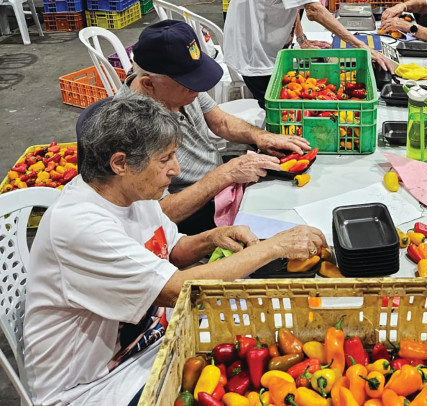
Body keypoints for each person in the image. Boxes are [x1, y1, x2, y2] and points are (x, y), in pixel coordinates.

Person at [24, 94, 327, 406]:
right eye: (165, 158)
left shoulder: (134, 194)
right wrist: (274, 247)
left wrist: (214, 237)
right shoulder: (79, 225)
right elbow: (176, 289)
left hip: (157, 345)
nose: (175, 169)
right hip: (96, 388)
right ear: (120, 163)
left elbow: (173, 250)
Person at [77, 20, 309, 235]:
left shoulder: (178, 89)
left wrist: (262, 137)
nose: (197, 91)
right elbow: (160, 213)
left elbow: (220, 121)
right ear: (149, 83)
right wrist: (225, 174)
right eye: (189, 85)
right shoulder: (131, 131)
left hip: (218, 181)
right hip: (191, 210)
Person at [223, 0, 394, 108]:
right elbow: (312, 9)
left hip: (271, 38)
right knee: (278, 111)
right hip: (255, 45)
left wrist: (301, 38)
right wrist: (360, 46)